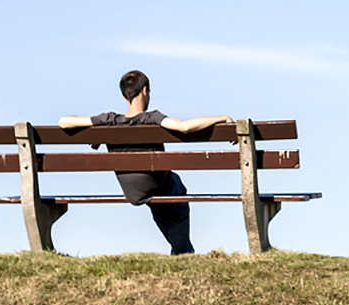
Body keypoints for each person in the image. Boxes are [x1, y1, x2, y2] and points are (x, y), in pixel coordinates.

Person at [58, 70, 232, 255]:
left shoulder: (109, 121)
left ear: (124, 94)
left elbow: (63, 122)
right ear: (144, 90)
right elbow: (185, 127)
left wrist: (98, 131)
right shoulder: (152, 118)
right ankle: (183, 252)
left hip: (134, 191)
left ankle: (182, 251)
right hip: (157, 184)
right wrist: (222, 118)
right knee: (176, 190)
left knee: (161, 201)